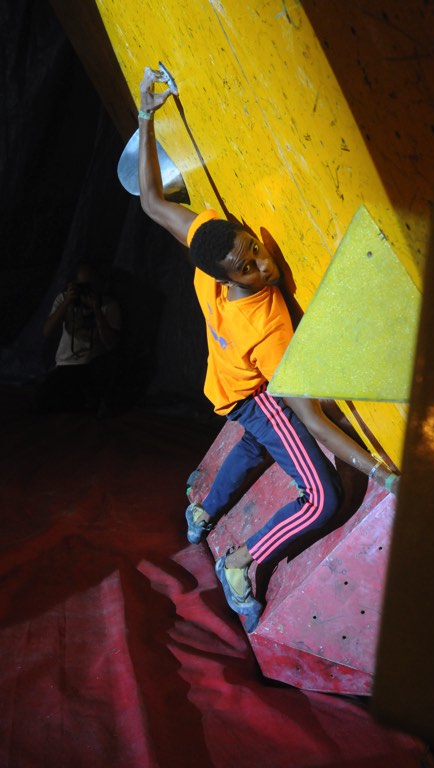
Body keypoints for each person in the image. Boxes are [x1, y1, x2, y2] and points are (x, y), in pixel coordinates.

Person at [137, 66, 397, 632]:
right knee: (322, 496)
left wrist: (145, 114)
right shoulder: (271, 326)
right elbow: (315, 421)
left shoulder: (210, 243)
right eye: (247, 268)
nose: (263, 264)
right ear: (224, 277)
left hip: (224, 383)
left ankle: (203, 510)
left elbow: (153, 202)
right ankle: (241, 562)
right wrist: (381, 472)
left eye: (254, 249)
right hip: (254, 395)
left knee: (257, 445)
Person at [37, 262, 121, 416]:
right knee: (41, 403)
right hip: (66, 364)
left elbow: (111, 344)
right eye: (82, 286)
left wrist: (97, 310)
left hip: (92, 364)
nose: (87, 290)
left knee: (91, 405)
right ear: (74, 284)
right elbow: (47, 332)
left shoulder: (109, 305)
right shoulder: (63, 299)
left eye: (91, 285)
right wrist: (67, 302)